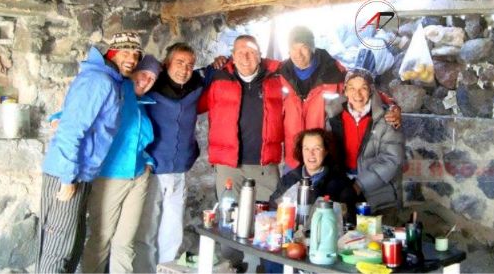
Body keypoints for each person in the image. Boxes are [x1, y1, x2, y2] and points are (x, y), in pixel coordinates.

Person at [37, 31, 142, 273]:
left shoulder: (112, 81)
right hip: (68, 175)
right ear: (112, 53)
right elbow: (71, 131)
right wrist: (67, 179)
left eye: (136, 55)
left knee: (71, 246)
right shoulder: (99, 81)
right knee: (57, 249)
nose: (132, 59)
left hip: (81, 175)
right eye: (126, 52)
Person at [133, 43, 218, 272]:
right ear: (167, 64)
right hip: (151, 170)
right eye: (179, 63)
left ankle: (165, 270)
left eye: (190, 64)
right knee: (146, 231)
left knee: (172, 231)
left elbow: (211, 71)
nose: (185, 69)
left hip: (179, 170)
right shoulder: (150, 88)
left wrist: (219, 62)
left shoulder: (195, 87)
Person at [280, 26, 402, 169]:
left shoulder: (335, 73)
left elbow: (362, 90)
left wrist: (393, 106)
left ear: (312, 48)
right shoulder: (282, 74)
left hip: (323, 159)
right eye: (293, 48)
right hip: (293, 157)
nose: (298, 54)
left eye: (303, 47)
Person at [82, 55, 161, 273]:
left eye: (152, 78)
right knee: (100, 239)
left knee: (125, 243)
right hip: (109, 176)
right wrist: (57, 117)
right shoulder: (115, 91)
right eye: (144, 73)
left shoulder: (143, 104)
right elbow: (83, 110)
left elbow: (139, 141)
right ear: (134, 71)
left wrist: (148, 162)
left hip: (138, 178)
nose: (146, 80)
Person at [201, 34, 284, 202]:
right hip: (228, 167)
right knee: (228, 220)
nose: (245, 57)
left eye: (251, 52)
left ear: (260, 56)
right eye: (240, 52)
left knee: (267, 220)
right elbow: (191, 101)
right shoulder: (217, 77)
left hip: (265, 166)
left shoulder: (278, 76)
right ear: (232, 56)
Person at [326, 68, 405, 224]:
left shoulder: (386, 119)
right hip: (343, 183)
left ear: (371, 91)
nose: (358, 94)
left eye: (363, 88)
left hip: (378, 190)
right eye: (352, 88)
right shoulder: (333, 117)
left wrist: (359, 185)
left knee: (375, 240)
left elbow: (391, 160)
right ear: (345, 91)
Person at [269, 128, 358, 214]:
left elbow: (348, 215)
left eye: (316, 148)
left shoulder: (340, 183)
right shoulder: (289, 179)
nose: (311, 154)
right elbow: (273, 207)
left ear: (326, 151)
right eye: (306, 149)